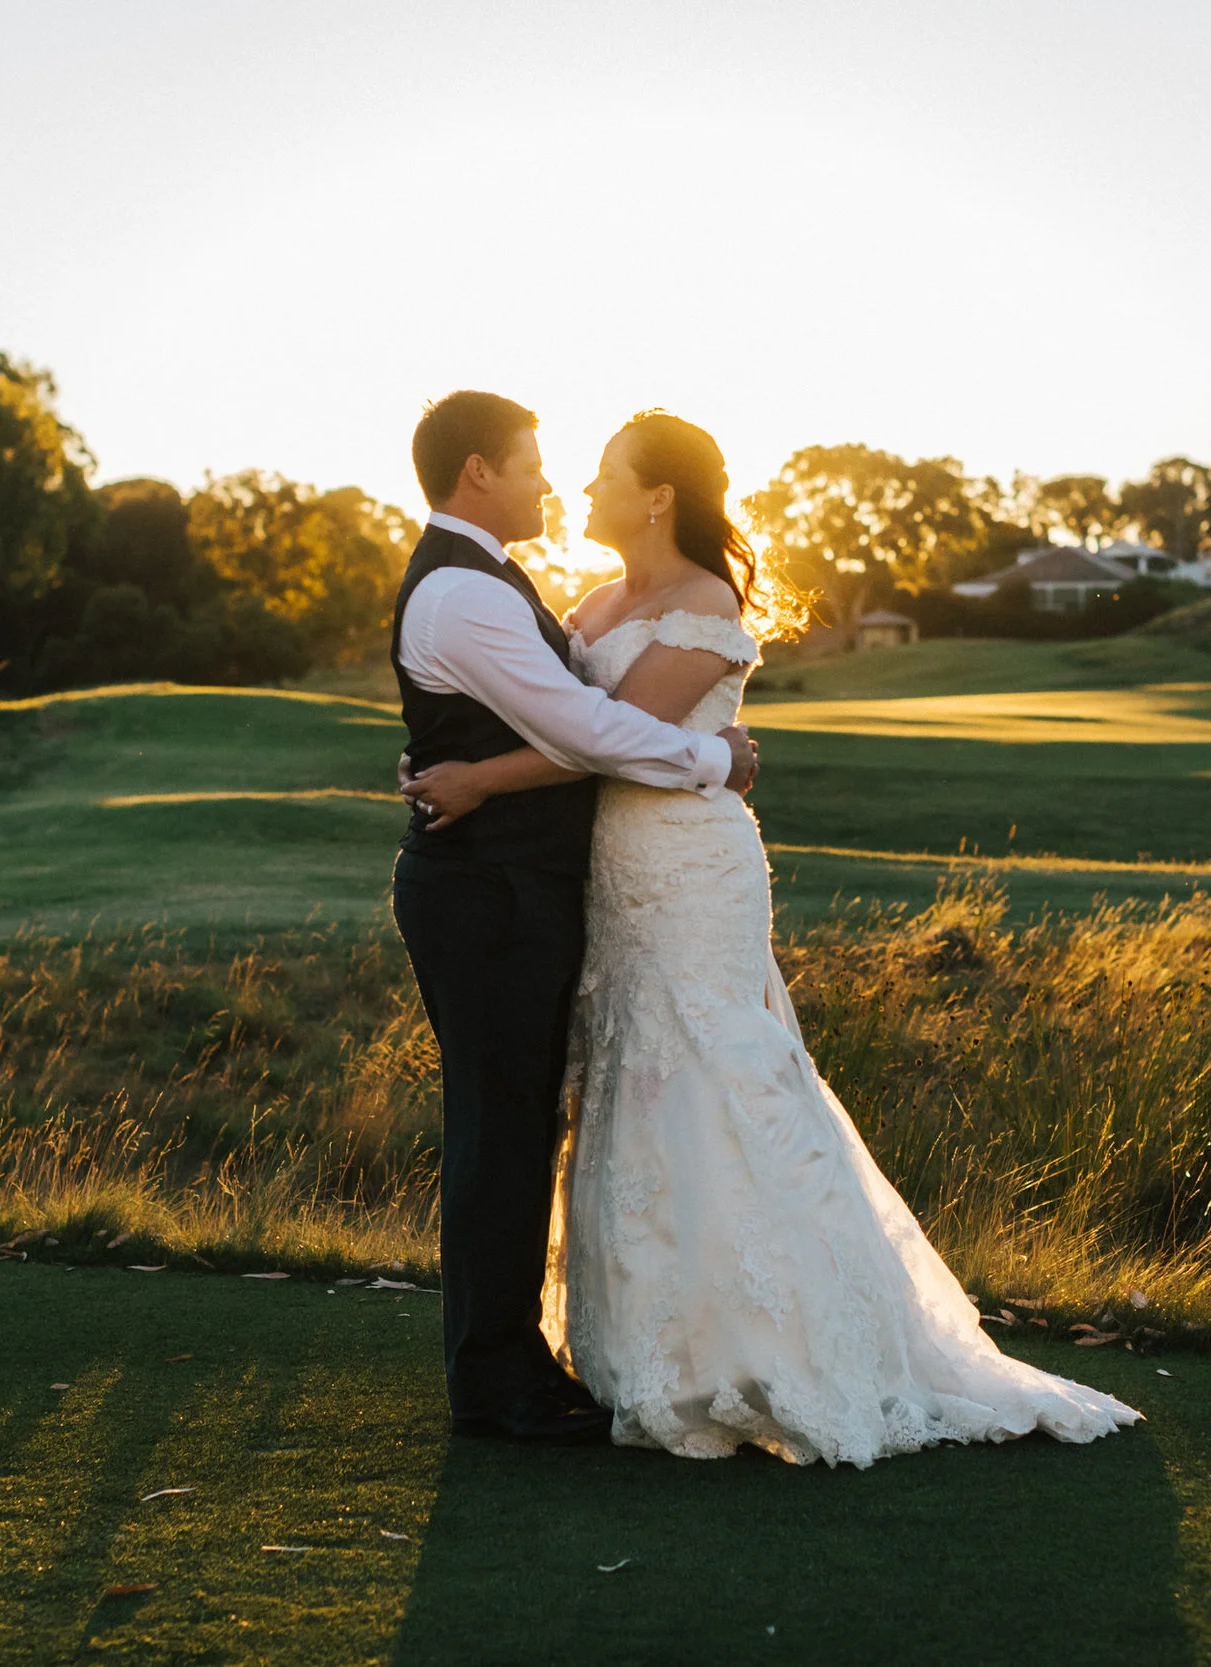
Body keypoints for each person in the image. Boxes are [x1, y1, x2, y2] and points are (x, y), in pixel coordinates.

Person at [404, 411, 1139, 1466]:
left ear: (656, 494)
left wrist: (479, 778)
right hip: (615, 875)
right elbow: (555, 717)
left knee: (713, 1068)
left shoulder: (703, 602)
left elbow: (604, 741)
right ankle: (653, 1348)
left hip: (687, 865)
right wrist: (458, 754)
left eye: (606, 470)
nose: (583, 485)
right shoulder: (593, 602)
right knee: (631, 1081)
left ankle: (776, 1345)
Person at [389, 391, 758, 1446]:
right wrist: (715, 760)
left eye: (582, 469)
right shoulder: (467, 592)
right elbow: (594, 727)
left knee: (538, 1123)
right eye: (537, 464)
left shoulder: (499, 583)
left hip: (583, 879)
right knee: (503, 1134)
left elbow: (560, 722)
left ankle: (529, 1362)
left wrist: (465, 771)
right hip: (497, 890)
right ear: (477, 477)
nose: (555, 483)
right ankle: (498, 1381)